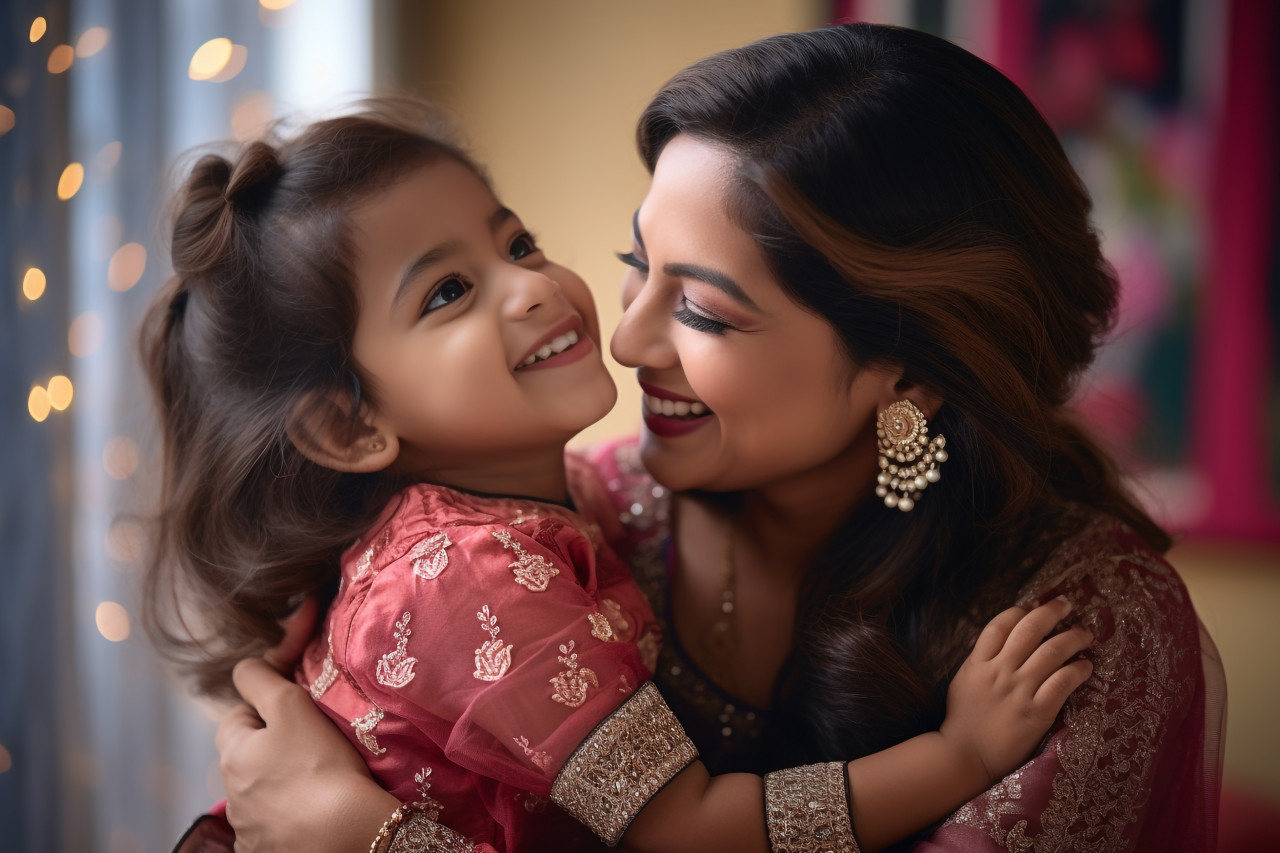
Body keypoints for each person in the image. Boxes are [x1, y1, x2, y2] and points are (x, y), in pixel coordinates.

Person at [211, 22, 1224, 853]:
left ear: (906, 370)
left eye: (702, 310)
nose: (626, 335)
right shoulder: (585, 518)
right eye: (632, 261)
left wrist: (367, 836)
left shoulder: (1087, 633)